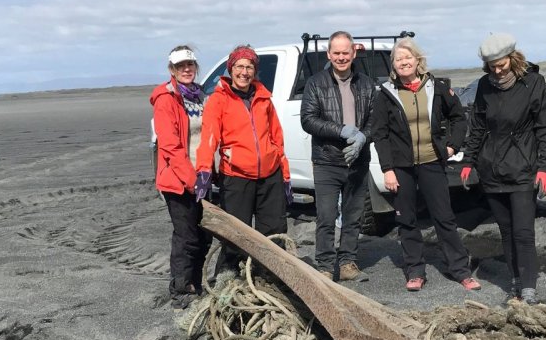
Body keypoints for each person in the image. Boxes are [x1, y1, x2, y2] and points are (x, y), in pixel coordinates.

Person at [371, 37, 481, 293]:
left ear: (417, 60)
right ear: (393, 65)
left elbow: (458, 118)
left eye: (407, 57)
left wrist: (452, 146)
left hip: (432, 162)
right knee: (407, 220)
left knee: (444, 218)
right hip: (401, 167)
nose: (403, 62)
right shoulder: (385, 94)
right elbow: (380, 134)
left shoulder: (436, 87)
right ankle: (415, 271)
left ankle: (460, 271)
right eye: (398, 59)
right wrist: (388, 169)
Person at [460, 33, 546, 305]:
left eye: (501, 65)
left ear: (513, 59)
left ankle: (529, 288)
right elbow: (478, 126)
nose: (497, 71)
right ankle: (515, 282)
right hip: (492, 169)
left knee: (523, 232)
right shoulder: (484, 86)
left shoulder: (533, 83)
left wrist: (544, 168)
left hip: (523, 168)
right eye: (492, 66)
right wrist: (468, 161)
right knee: (506, 231)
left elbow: (545, 128)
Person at [194, 45, 293, 274]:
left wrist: (285, 175)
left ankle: (270, 279)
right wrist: (204, 170)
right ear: (231, 69)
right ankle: (226, 280)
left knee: (274, 232)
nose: (244, 72)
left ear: (255, 71)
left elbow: (277, 140)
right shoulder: (219, 100)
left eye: (249, 67)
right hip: (236, 177)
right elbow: (209, 138)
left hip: (270, 176)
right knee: (236, 235)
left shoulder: (264, 98)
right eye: (239, 66)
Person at [300, 31, 377, 281]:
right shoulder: (315, 83)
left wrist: (363, 136)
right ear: (329, 54)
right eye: (337, 53)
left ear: (353, 53)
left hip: (358, 160)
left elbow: (376, 120)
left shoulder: (366, 84)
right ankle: (324, 266)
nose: (341, 57)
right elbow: (308, 119)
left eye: (346, 52)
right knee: (326, 216)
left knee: (353, 216)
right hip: (327, 160)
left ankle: (347, 264)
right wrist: (341, 130)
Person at [150, 45, 212, 308]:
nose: (186, 69)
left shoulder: (201, 97)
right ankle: (181, 289)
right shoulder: (166, 99)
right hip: (179, 180)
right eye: (180, 66)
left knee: (204, 235)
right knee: (186, 236)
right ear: (172, 70)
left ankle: (195, 283)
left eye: (190, 64)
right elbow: (170, 146)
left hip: (203, 177)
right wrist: (191, 181)